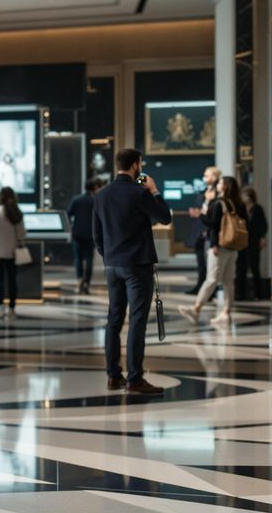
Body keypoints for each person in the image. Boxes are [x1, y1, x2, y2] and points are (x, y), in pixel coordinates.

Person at [92, 148, 172, 394]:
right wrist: (154, 190)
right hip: (137, 266)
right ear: (136, 165)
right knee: (137, 321)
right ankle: (135, 378)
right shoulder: (140, 193)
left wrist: (111, 257)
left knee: (114, 320)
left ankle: (113, 376)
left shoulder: (101, 195)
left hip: (112, 265)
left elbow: (97, 234)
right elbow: (165, 217)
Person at [180, 176, 246, 326]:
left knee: (212, 279)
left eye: (221, 182)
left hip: (219, 246)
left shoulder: (219, 203)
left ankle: (196, 309)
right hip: (233, 246)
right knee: (229, 281)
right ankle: (226, 313)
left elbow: (213, 225)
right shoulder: (238, 204)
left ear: (226, 187)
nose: (218, 184)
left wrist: (200, 215)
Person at [0, 187, 27, 320]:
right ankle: (12, 309)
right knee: (12, 280)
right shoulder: (17, 212)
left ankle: (1, 307)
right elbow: (22, 233)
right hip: (13, 252)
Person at [184, 166, 222, 294]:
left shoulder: (218, 195)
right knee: (201, 263)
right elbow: (199, 210)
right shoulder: (202, 194)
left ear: (214, 176)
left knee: (211, 265)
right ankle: (200, 286)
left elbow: (215, 216)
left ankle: (210, 290)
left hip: (211, 232)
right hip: (199, 231)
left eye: (207, 175)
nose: (205, 178)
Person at [67, 179, 99, 295]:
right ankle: (87, 283)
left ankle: (80, 279)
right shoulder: (96, 200)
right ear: (94, 188)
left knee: (78, 259)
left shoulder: (76, 199)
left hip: (77, 234)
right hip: (91, 234)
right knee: (89, 260)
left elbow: (68, 213)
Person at [236, 186, 268, 299]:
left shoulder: (258, 208)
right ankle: (241, 293)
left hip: (254, 240)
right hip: (243, 241)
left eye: (245, 195)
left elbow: (263, 225)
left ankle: (258, 293)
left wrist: (262, 237)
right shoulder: (240, 208)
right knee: (241, 268)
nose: (243, 198)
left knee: (255, 267)